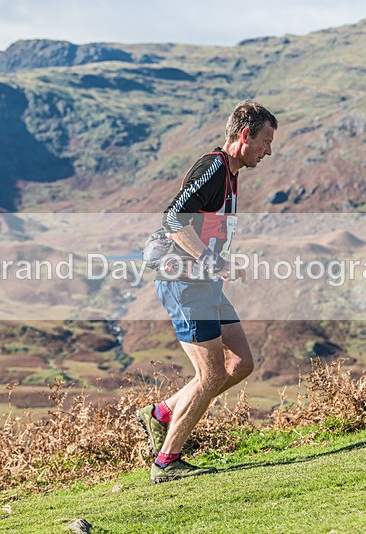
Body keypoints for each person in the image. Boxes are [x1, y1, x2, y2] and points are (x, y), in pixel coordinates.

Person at [136, 100, 277, 483]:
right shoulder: (214, 167)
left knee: (241, 363)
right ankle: (167, 462)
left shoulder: (231, 174)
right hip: (185, 284)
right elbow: (173, 218)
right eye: (265, 141)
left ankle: (161, 413)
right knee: (212, 373)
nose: (268, 151)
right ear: (244, 135)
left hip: (206, 284)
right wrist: (211, 260)